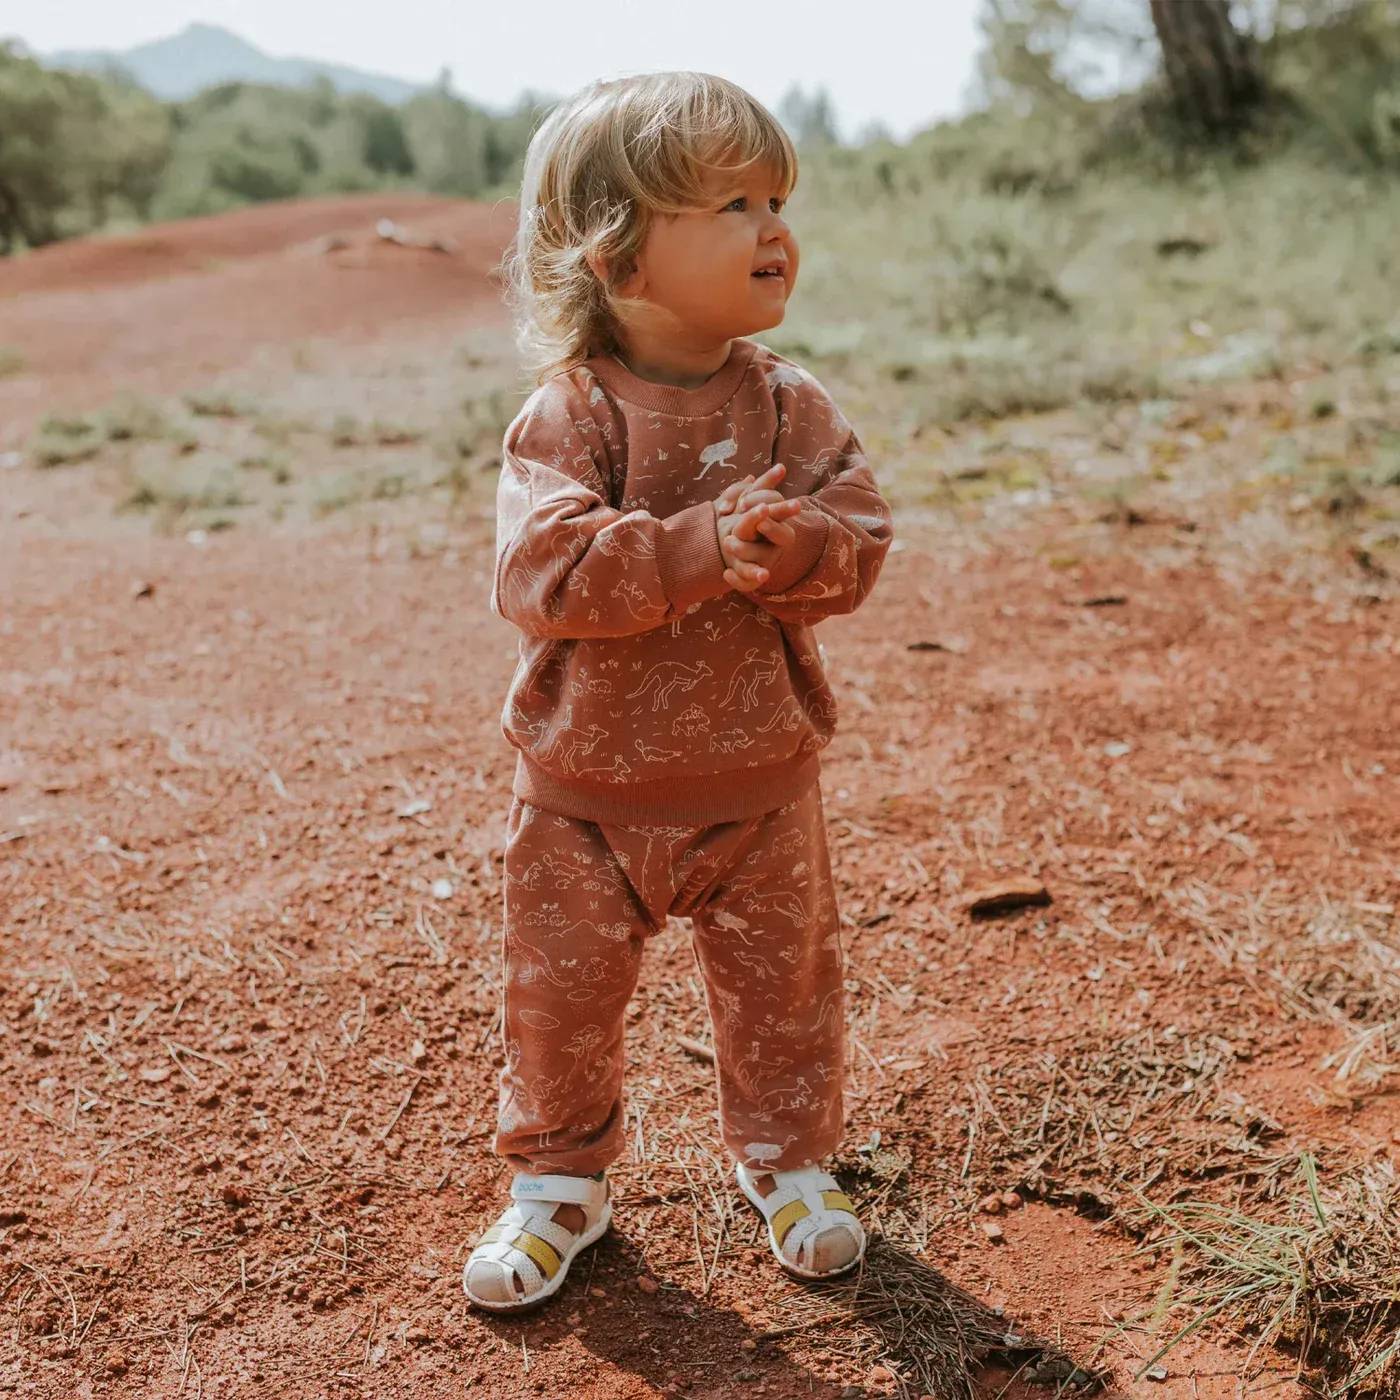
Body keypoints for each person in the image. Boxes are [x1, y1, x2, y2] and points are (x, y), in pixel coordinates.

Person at [463, 71, 894, 1312]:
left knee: (782, 990)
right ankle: (558, 1186)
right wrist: (705, 545)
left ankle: (789, 1162)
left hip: (758, 783)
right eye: (730, 204)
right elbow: (540, 573)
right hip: (582, 791)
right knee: (558, 998)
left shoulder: (786, 402)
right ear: (618, 260)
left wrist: (802, 550)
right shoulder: (569, 414)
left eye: (776, 198)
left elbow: (857, 534)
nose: (773, 228)